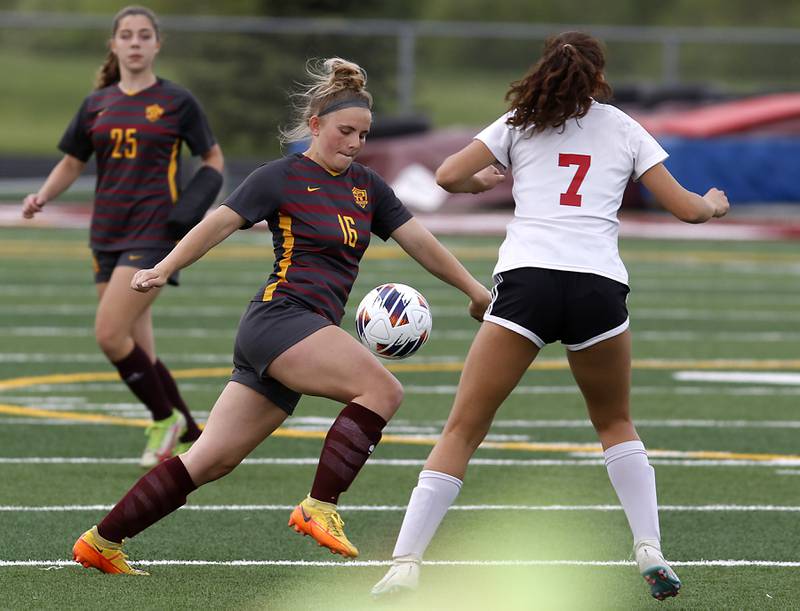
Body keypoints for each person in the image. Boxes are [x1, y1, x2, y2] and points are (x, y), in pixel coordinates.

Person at [70, 56, 491, 575]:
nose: (355, 143)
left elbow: (420, 243)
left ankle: (102, 540)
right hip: (282, 320)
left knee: (211, 460)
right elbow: (218, 224)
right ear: (315, 126)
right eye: (344, 131)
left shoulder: (368, 188)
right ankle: (320, 505)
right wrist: (164, 266)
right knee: (383, 391)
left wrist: (475, 291)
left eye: (363, 134)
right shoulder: (282, 177)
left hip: (297, 332)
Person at [371, 31, 729, 602]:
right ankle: (649, 550)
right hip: (597, 286)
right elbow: (687, 209)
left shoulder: (521, 120)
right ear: (599, 74)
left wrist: (480, 182)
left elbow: (445, 176)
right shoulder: (623, 126)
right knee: (614, 423)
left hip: (528, 282)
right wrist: (713, 202)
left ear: (546, 69)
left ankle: (405, 562)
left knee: (463, 428)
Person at [22, 6, 225, 468]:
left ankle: (162, 418)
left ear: (158, 44)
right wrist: (43, 196)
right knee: (139, 346)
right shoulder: (97, 102)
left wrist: (191, 207)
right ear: (113, 45)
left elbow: (212, 160)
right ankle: (192, 431)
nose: (135, 43)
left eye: (144, 35)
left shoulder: (177, 101)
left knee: (110, 334)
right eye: (127, 36)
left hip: (153, 232)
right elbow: (73, 160)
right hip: (106, 231)